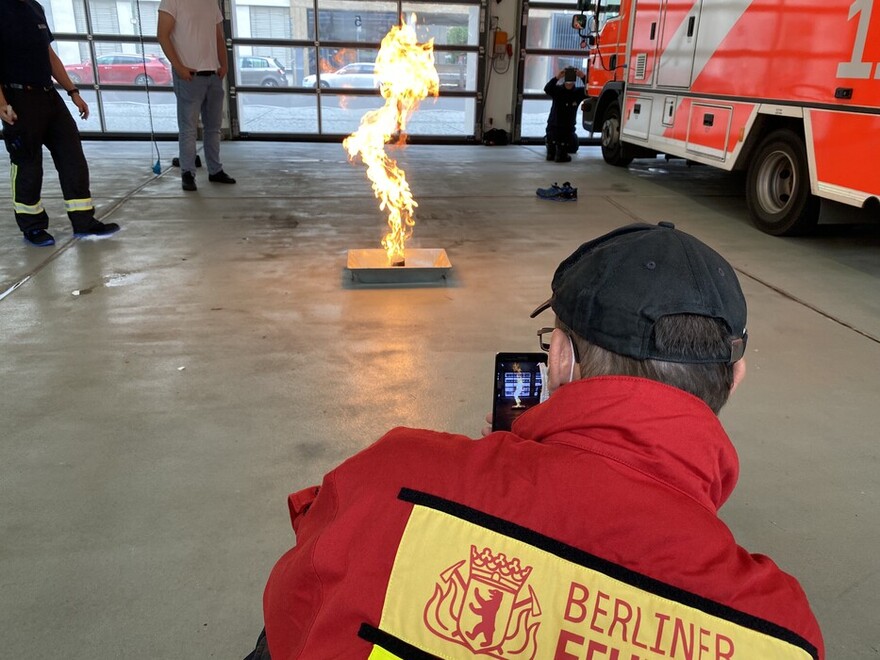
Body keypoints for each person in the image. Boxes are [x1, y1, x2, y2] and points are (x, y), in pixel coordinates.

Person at [251, 222, 824, 660]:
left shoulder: (392, 483)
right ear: (736, 376)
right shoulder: (782, 632)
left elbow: (291, 617)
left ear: (561, 358)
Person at [0, 0, 120, 247]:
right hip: (18, 98)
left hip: (48, 95)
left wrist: (72, 91)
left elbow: (48, 54)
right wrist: (1, 103)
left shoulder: (35, 7)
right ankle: (32, 226)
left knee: (72, 157)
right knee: (27, 165)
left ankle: (83, 222)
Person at [157, 0, 235, 192]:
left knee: (213, 128)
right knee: (188, 129)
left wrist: (224, 65)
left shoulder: (210, 3)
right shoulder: (172, 2)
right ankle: (188, 173)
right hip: (189, 76)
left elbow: (218, 37)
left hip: (213, 75)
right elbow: (162, 36)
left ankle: (215, 170)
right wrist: (179, 67)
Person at [544, 67, 587, 163]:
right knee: (551, 154)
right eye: (567, 75)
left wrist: (582, 76)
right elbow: (547, 89)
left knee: (572, 148)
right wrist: (557, 77)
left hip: (567, 129)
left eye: (572, 75)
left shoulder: (578, 92)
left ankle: (560, 149)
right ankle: (551, 146)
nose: (569, 79)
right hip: (553, 127)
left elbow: (590, 90)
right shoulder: (557, 90)